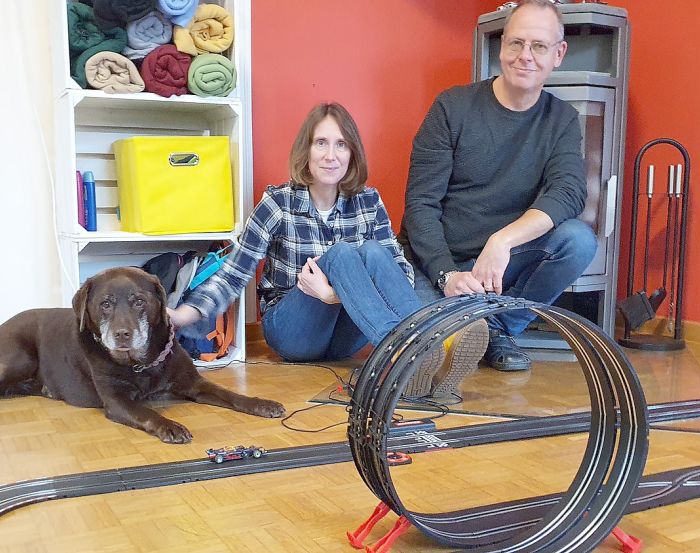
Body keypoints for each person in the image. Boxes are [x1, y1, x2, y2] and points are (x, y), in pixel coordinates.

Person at [168, 102, 488, 398]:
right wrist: (185, 313)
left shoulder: (368, 201)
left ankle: (425, 357)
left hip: (345, 338)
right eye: (321, 143)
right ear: (306, 150)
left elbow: (399, 271)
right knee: (342, 254)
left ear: (352, 154)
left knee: (375, 251)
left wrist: (333, 296)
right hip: (293, 332)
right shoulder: (278, 203)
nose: (330, 155)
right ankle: (408, 351)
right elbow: (234, 272)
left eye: (341, 144)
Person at [399, 0, 597, 373]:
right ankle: (464, 323)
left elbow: (569, 192)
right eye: (516, 43)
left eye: (539, 46)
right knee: (428, 346)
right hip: (437, 263)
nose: (526, 56)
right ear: (502, 45)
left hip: (500, 265)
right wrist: (445, 274)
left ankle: (498, 327)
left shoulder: (563, 120)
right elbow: (421, 204)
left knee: (578, 240)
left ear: (559, 54)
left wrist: (502, 240)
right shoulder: (451, 107)